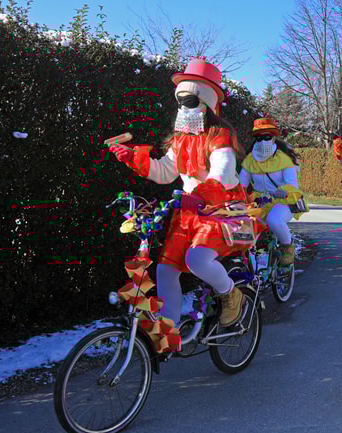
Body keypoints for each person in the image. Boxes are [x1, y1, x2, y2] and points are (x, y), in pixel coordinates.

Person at [109, 58, 250, 329]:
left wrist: (202, 193)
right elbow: (164, 171)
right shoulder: (181, 139)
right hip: (190, 210)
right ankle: (168, 330)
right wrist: (132, 158)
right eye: (179, 100)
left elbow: (221, 170)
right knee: (165, 269)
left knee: (196, 259)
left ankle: (231, 293)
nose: (182, 107)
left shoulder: (220, 136)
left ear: (205, 102)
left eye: (188, 101)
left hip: (221, 211)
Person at [239, 118, 305, 265]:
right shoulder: (249, 160)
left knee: (274, 220)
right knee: (244, 229)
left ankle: (287, 247)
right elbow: (241, 184)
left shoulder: (285, 160)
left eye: (267, 137)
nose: (263, 141)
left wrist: (283, 191)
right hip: (259, 202)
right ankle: (249, 269)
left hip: (283, 200)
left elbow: (291, 184)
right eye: (259, 137)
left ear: (274, 137)